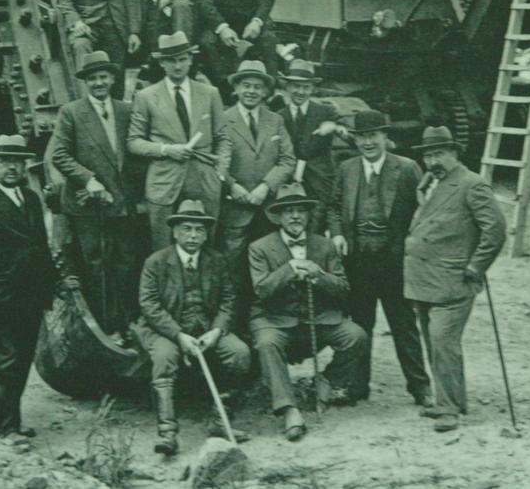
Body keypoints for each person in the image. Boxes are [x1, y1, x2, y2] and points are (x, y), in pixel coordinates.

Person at [0, 134, 77, 438]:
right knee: (7, 364)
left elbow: (40, 246)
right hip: (0, 299)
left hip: (31, 296)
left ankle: (10, 421)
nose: (12, 167)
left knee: (22, 362)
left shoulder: (31, 199)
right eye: (5, 161)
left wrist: (56, 284)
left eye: (18, 162)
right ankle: (1, 429)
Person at [401, 126, 506, 433]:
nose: (434, 160)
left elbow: (495, 229)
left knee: (443, 341)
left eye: (440, 154)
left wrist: (476, 267)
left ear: (455, 154)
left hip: (454, 279)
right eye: (429, 154)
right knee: (434, 342)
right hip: (423, 278)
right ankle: (451, 399)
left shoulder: (471, 184)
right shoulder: (430, 183)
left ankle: (448, 409)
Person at [248, 183, 367, 442]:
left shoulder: (324, 246)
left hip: (319, 316)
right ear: (278, 216)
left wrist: (319, 275)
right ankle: (288, 408)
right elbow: (262, 290)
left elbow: (343, 288)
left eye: (300, 210)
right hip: (275, 318)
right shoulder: (259, 247)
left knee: (356, 336)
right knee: (267, 343)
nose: (295, 216)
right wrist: (289, 268)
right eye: (288, 211)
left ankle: (324, 380)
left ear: (308, 214)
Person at [328, 109, 430, 404]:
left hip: (393, 261)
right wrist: (336, 234)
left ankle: (420, 387)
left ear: (385, 136)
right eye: (361, 137)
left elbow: (423, 211)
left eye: (373, 136)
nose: (367, 142)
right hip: (358, 260)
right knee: (360, 325)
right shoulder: (346, 169)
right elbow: (334, 206)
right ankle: (358, 386)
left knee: (403, 324)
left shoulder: (408, 168)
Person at [135, 200, 252, 456]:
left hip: (207, 328)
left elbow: (228, 300)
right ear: (174, 231)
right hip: (165, 330)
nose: (192, 235)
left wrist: (217, 331)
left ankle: (220, 422)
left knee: (240, 353)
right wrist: (178, 335)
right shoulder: (156, 262)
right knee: (165, 358)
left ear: (206, 234)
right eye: (186, 228)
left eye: (199, 230)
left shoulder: (217, 260)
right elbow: (149, 305)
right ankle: (168, 432)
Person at [51, 51, 139, 337]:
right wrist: (88, 180)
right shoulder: (71, 112)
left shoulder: (127, 110)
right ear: (85, 83)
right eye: (93, 78)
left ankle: (129, 323)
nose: (99, 83)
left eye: (103, 77)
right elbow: (60, 155)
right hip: (88, 205)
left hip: (123, 202)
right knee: (97, 264)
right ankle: (105, 327)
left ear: (113, 78)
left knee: (126, 261)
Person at [128, 32, 231, 252]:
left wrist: (220, 173)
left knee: (205, 248)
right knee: (163, 248)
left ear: (190, 59)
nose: (178, 65)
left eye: (182, 59)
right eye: (171, 60)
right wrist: (166, 150)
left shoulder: (210, 93)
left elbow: (223, 137)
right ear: (162, 63)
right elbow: (134, 142)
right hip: (164, 183)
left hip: (204, 182)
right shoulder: (146, 96)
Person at [219, 60, 295, 307]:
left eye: (257, 87)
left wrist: (265, 186)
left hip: (268, 209)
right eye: (246, 85)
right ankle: (236, 327)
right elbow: (214, 161)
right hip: (235, 209)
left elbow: (287, 160)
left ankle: (268, 321)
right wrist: (232, 186)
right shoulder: (222, 119)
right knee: (233, 268)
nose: (251, 91)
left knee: (271, 267)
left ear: (265, 92)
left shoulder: (275, 121)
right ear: (236, 89)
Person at [277, 59, 343, 234]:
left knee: (317, 228)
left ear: (313, 89)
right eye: (296, 86)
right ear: (287, 87)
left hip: (320, 183)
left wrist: (336, 128)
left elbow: (351, 137)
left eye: (306, 87)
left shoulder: (326, 112)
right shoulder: (277, 116)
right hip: (288, 184)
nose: (300, 91)